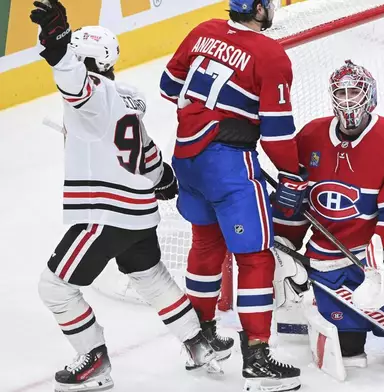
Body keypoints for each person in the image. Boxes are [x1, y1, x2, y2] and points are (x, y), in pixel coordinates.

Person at [30, 2, 221, 391]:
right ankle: (199, 343)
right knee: (150, 276)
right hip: (139, 213)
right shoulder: (128, 96)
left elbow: (73, 81)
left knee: (55, 287)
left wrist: (56, 46)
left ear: (85, 61)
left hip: (105, 213)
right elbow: (146, 148)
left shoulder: (92, 92)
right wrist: (162, 176)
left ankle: (94, 360)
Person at [159, 0, 305, 390]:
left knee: (206, 243)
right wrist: (293, 173)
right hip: (228, 165)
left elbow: (168, 86)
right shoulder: (270, 53)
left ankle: (202, 338)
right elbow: (276, 133)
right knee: (255, 256)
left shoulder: (203, 30)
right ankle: (257, 358)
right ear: (258, 9)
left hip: (186, 157)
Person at [272, 60, 384, 372]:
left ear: (370, 96)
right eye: (341, 92)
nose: (347, 100)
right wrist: (285, 245)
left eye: (354, 92)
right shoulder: (310, 137)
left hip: (375, 261)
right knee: (348, 350)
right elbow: (293, 203)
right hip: (329, 265)